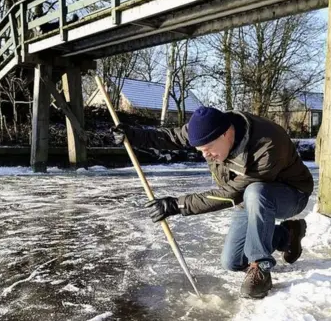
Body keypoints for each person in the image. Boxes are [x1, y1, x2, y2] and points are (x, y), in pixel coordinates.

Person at [111, 106, 313, 299]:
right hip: (249, 199)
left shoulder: (267, 145)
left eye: (207, 149)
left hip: (291, 194)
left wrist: (178, 205)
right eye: (200, 150)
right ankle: (287, 235)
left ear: (226, 134)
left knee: (255, 191)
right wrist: (133, 135)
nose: (204, 155)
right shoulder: (206, 127)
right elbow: (171, 137)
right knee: (232, 262)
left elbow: (232, 193)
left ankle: (261, 268)